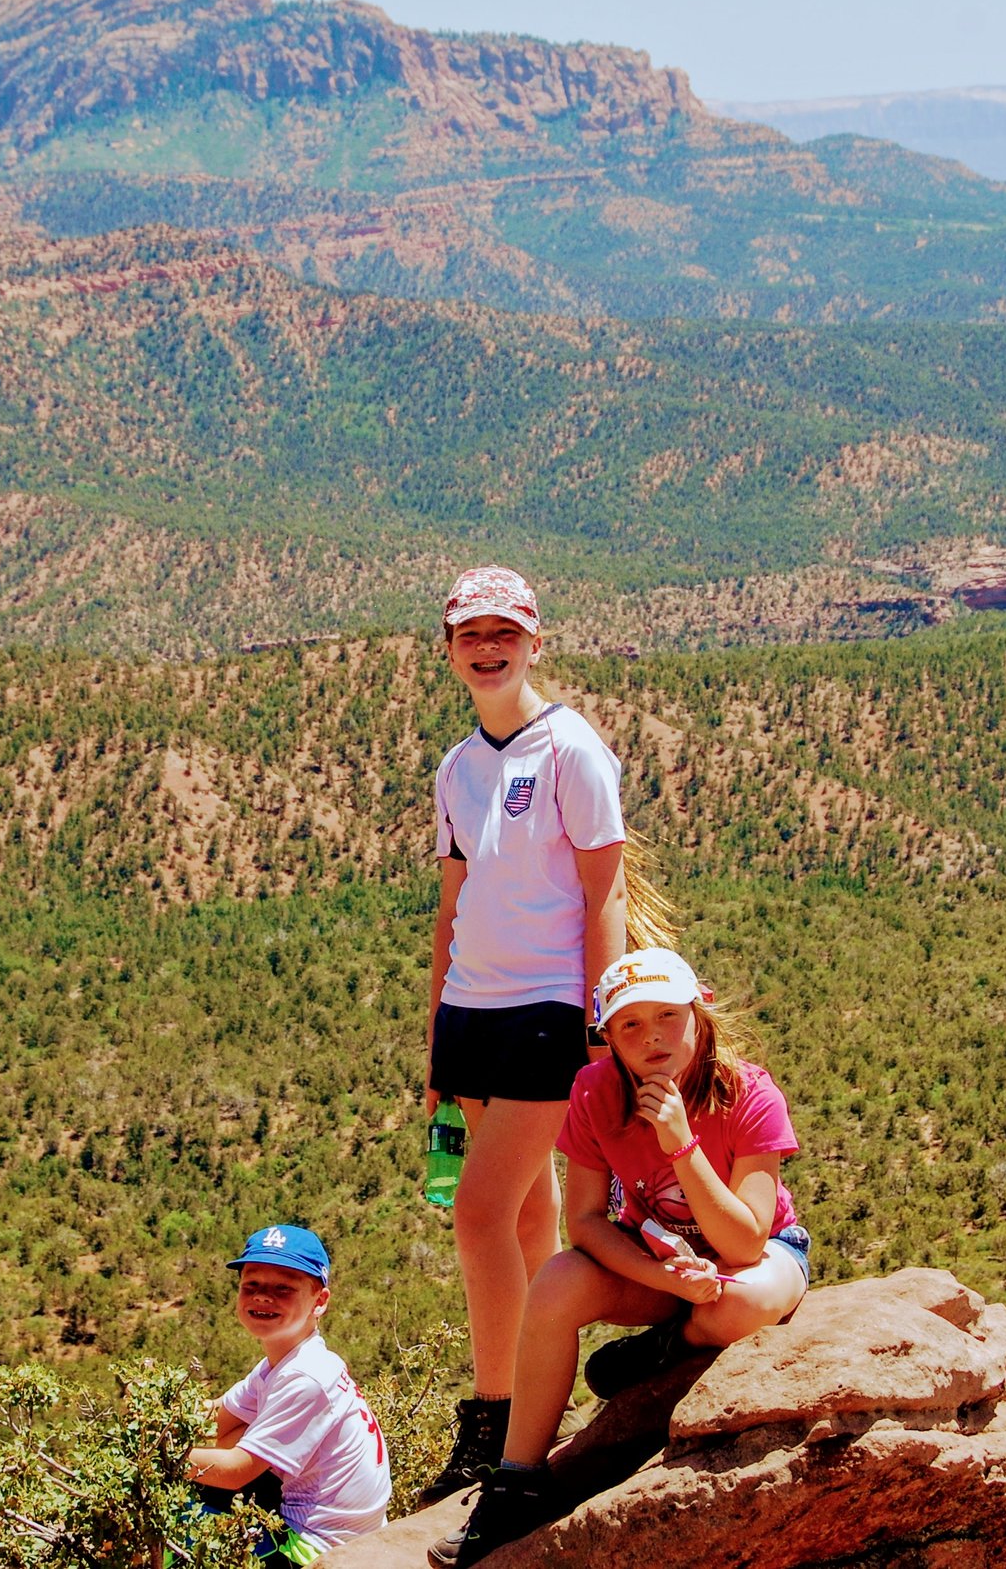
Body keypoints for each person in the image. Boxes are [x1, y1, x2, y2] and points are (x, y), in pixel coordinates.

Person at [432, 947, 812, 1566]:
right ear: (606, 1035)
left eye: (667, 1015)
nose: (652, 1036)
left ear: (700, 1013)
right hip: (659, 1263)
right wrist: (664, 1275)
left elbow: (746, 1241)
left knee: (743, 1302)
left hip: (755, 1257)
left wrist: (679, 1141)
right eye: (629, 1024)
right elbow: (582, 1221)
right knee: (556, 1280)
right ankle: (516, 1481)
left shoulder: (749, 1093)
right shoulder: (594, 1092)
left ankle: (661, 1348)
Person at [418, 565, 632, 1503]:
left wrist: (604, 1022)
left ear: (536, 642)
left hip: (549, 1011)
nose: (488, 647)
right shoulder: (457, 770)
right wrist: (434, 1042)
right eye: (470, 635)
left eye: (504, 632)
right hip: (471, 1010)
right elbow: (451, 906)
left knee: (478, 1213)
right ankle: (545, 1396)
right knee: (525, 1213)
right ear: (450, 651)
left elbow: (605, 890)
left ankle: (497, 1420)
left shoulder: (571, 750)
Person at [188, 1225, 390, 1562]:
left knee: (170, 1524)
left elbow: (237, 1469)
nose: (263, 1296)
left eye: (284, 1288)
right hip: (339, 1525)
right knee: (234, 1435)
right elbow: (218, 1418)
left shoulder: (307, 1377)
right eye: (251, 1285)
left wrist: (152, 1459)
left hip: (317, 1546)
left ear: (320, 1301)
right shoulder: (287, 1362)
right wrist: (157, 1418)